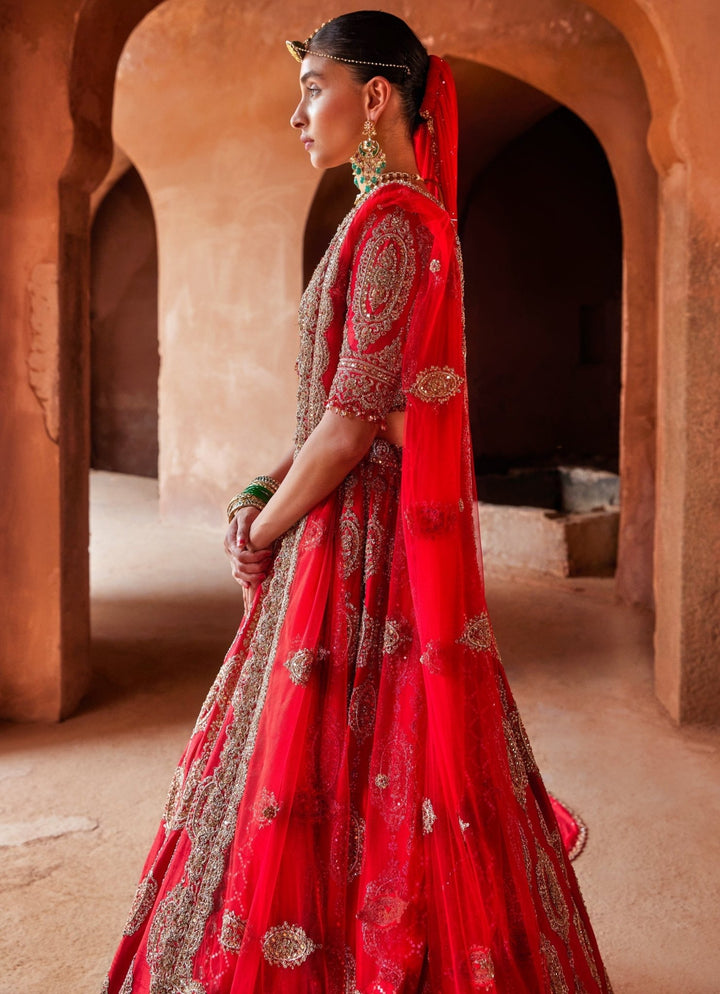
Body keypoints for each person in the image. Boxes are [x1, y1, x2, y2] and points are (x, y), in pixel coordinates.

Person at [101, 11, 613, 994]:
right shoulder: (394, 218)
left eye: (313, 88)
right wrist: (269, 485)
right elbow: (351, 418)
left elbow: (348, 424)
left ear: (375, 98)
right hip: (355, 524)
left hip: (361, 544)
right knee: (359, 763)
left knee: (336, 760)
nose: (299, 114)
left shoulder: (392, 225)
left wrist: (262, 521)